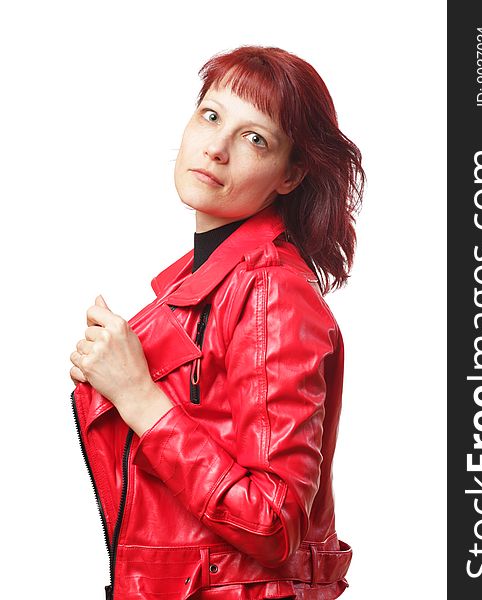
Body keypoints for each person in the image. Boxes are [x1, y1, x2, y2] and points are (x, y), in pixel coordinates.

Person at [69, 45, 365, 600]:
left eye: (256, 138)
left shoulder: (272, 291)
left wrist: (138, 397)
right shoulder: (198, 289)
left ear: (290, 174)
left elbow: (273, 521)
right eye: (212, 115)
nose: (217, 147)